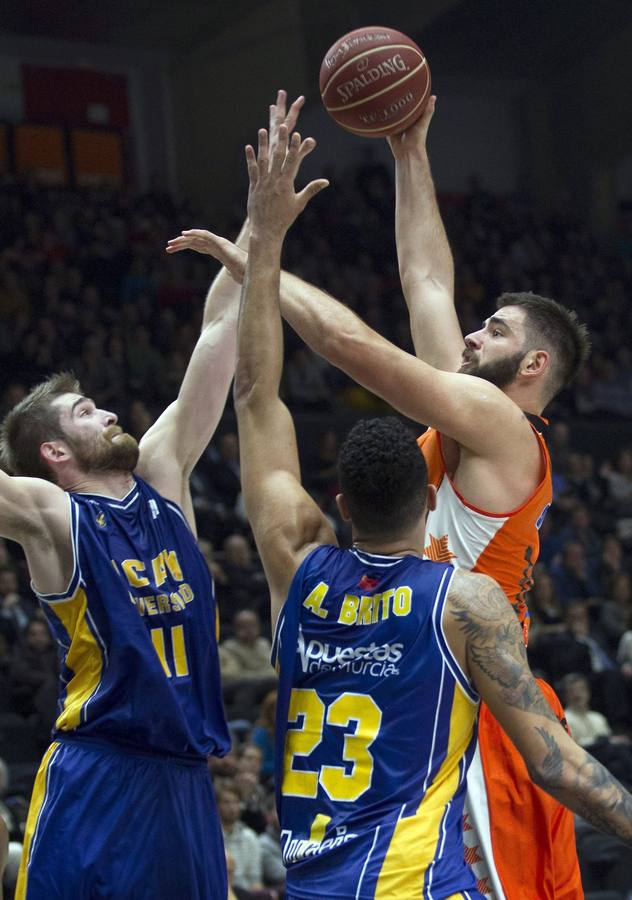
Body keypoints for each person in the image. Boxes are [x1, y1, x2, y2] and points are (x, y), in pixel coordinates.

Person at [168, 92, 591, 900]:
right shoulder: (463, 407)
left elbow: (347, 345)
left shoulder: (501, 425)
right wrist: (408, 151)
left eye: (496, 331)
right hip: (417, 666)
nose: (472, 334)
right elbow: (427, 280)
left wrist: (257, 259)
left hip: (483, 699)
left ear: (533, 368)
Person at [0, 215, 248, 900]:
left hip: (185, 780)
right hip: (99, 771)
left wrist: (260, 223)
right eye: (85, 412)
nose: (107, 412)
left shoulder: (164, 476)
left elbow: (219, 337)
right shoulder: (54, 516)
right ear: (54, 453)